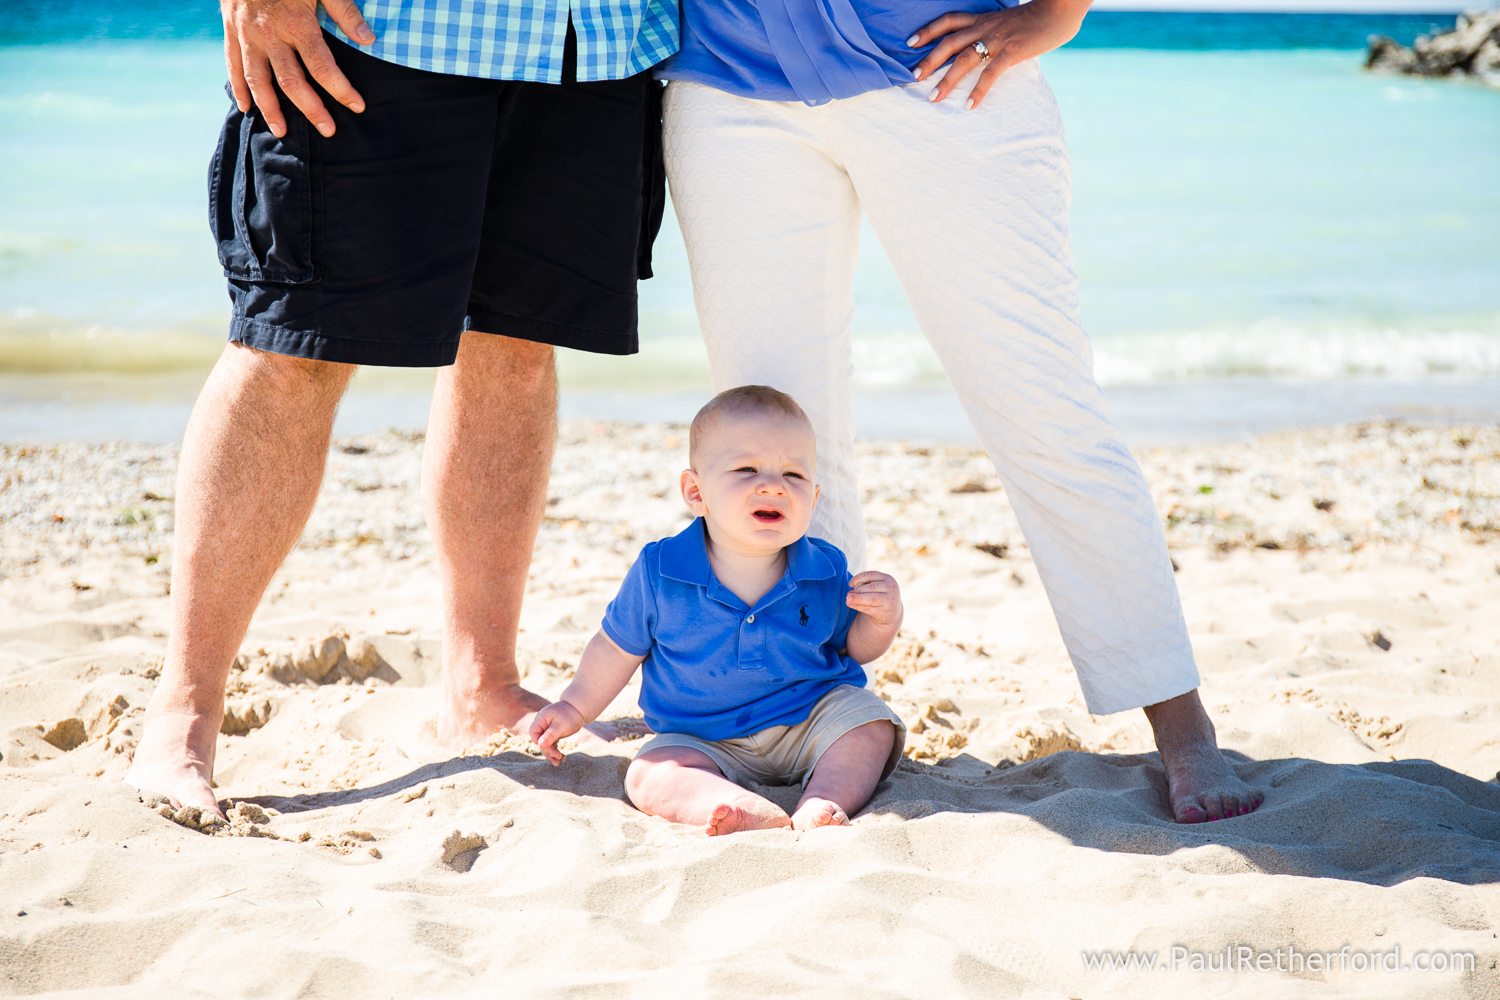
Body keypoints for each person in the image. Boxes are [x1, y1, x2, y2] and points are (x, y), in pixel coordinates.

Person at [657, 1, 1264, 822]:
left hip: (945, 68)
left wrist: (1059, 11)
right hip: (729, 75)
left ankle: (1179, 719)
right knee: (770, 436)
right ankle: (806, 712)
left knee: (1042, 408)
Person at [127, 0, 680, 817]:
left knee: (518, 345)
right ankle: (184, 714)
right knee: (291, 346)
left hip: (594, 39)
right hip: (381, 30)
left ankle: (482, 686)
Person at [530, 386, 907, 835]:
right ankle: (732, 803)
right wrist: (575, 707)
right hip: (701, 738)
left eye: (794, 475)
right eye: (747, 469)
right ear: (695, 491)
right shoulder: (661, 571)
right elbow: (615, 649)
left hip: (809, 720)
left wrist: (883, 620)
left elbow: (853, 647)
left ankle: (823, 800)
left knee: (871, 725)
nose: (773, 485)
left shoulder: (824, 567)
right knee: (649, 772)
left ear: (815, 497)